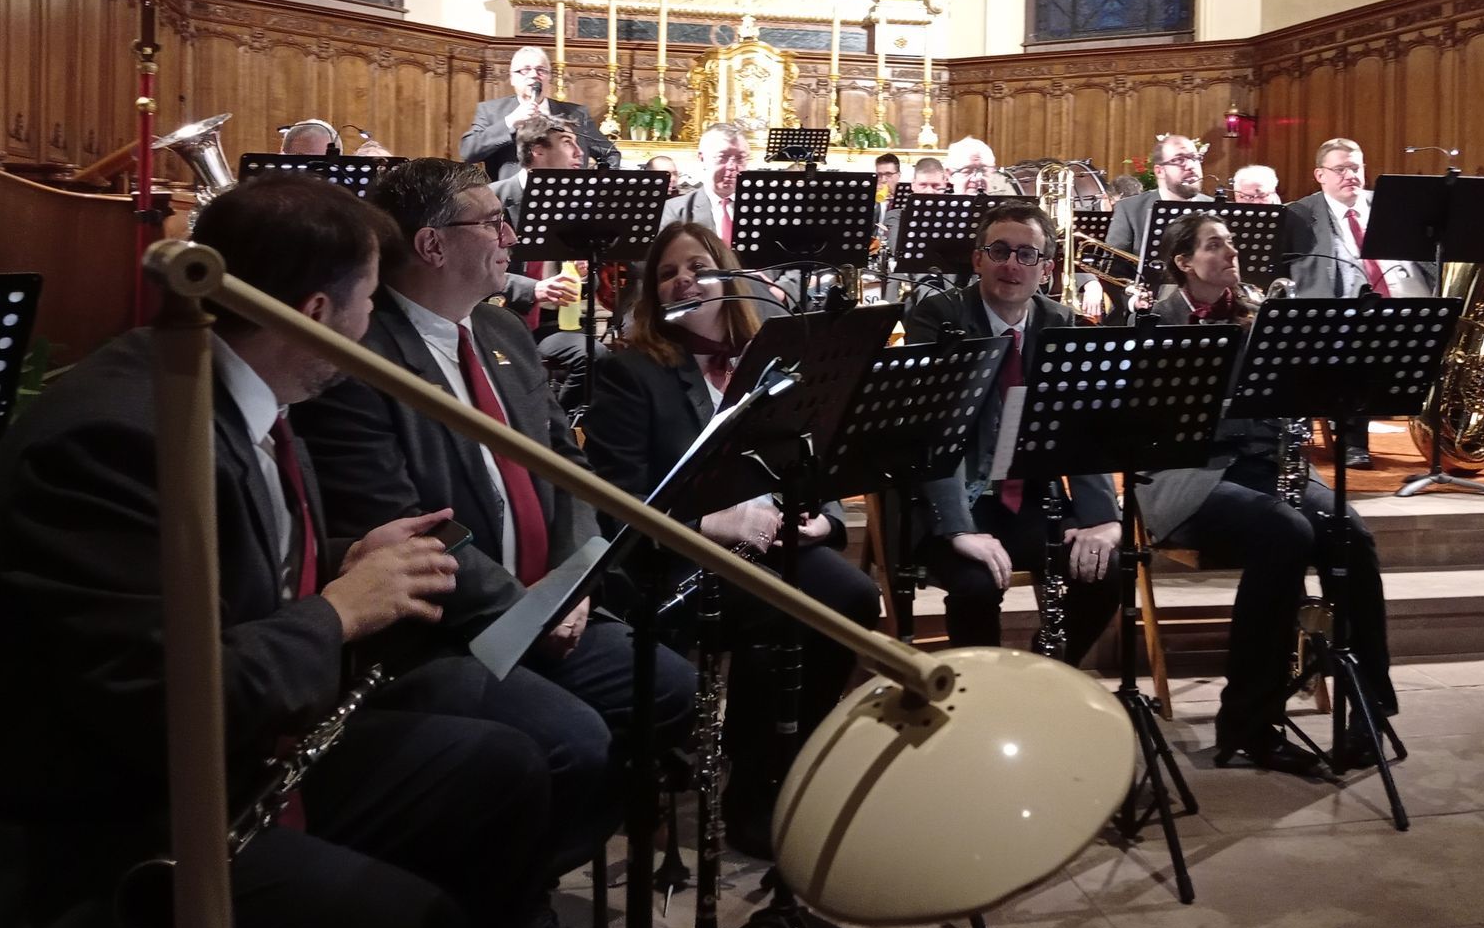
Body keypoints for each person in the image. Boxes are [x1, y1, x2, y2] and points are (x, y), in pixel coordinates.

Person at [0, 175, 557, 928]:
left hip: (229, 759)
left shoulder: (241, 385)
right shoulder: (125, 435)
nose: (373, 324)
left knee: (501, 772)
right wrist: (339, 610)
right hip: (85, 832)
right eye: (370, 302)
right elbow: (158, 702)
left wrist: (346, 561)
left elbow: (230, 565)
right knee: (411, 919)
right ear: (316, 313)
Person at [290, 158, 696, 884]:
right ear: (432, 245)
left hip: (547, 601)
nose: (511, 236)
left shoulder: (502, 329)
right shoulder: (362, 355)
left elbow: (565, 467)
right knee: (573, 741)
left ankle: (532, 855)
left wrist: (574, 581)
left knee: (668, 688)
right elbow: (402, 523)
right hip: (446, 630)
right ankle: (508, 894)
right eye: (492, 221)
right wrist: (526, 613)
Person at [584, 221, 880, 859]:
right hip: (677, 561)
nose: (684, 280)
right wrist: (713, 525)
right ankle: (752, 795)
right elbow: (616, 501)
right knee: (780, 612)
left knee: (855, 598)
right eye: (668, 273)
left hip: (770, 544)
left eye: (698, 266)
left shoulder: (771, 357)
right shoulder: (632, 371)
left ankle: (791, 763)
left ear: (729, 274)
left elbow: (816, 449)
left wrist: (825, 519)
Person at [1135, 214, 1397, 774]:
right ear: (1184, 262)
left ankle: (1370, 708)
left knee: (1350, 533)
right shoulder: (1156, 321)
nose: (1231, 252)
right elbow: (1154, 426)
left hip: (1265, 463)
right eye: (1215, 245)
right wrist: (1244, 408)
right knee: (1285, 532)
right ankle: (1250, 723)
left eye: (1231, 243)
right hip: (1188, 476)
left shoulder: (1260, 315)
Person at [901, 202, 1121, 662]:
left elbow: (1081, 426)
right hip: (951, 499)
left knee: (1107, 569)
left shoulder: (1060, 322)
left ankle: (1046, 673)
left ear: (1046, 269)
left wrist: (1103, 520)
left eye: (1027, 254)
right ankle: (983, 694)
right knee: (977, 585)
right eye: (999, 251)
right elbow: (931, 432)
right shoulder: (939, 318)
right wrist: (958, 528)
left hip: (1028, 497)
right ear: (977, 259)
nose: (1011, 265)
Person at [1278, 137, 1440, 467]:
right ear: (1320, 175)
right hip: (1350, 313)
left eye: (1355, 168)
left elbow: (1431, 253)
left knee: (1460, 336)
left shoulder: (1391, 205)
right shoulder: (1299, 215)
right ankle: (1353, 441)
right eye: (1340, 169)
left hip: (1415, 303)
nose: (1350, 175)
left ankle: (1457, 439)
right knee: (1357, 336)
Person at [491, 117, 604, 412]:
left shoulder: (576, 205)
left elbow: (591, 285)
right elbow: (477, 272)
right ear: (537, 150)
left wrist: (583, 275)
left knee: (599, 358)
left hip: (555, 324)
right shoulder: (493, 199)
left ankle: (558, 424)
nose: (580, 152)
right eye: (568, 143)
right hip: (502, 320)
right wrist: (534, 289)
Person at [1087, 134, 1209, 319]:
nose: (1191, 165)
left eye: (1195, 158)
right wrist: (1132, 301)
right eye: (1179, 160)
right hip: (1151, 314)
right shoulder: (1130, 209)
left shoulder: (1216, 208)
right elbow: (1112, 271)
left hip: (1209, 313)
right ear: (1159, 171)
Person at [461, 46, 620, 177]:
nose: (534, 75)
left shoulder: (576, 113)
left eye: (541, 70)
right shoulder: (491, 111)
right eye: (525, 70)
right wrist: (511, 122)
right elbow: (468, 151)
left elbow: (610, 153)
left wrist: (593, 185)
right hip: (512, 202)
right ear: (512, 78)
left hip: (568, 198)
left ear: (548, 78)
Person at [660, 122, 748, 241]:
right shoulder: (676, 210)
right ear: (702, 158)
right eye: (722, 157)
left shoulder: (760, 208)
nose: (732, 166)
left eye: (740, 158)